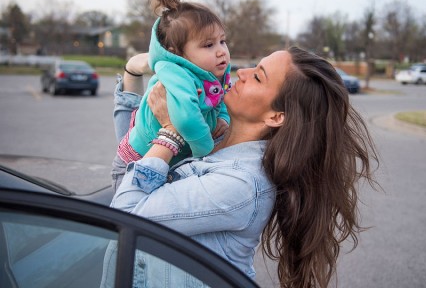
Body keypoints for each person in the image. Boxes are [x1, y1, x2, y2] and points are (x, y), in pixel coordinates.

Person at [103, 46, 379, 288]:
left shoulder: (243, 184)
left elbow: (124, 218)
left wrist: (171, 132)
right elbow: (135, 156)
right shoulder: (212, 134)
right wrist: (133, 71)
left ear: (276, 116)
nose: (243, 72)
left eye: (258, 76)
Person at [111, 0, 231, 190]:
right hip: (137, 160)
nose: (221, 50)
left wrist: (222, 117)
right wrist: (206, 150)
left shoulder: (214, 70)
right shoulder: (176, 73)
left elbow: (221, 98)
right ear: (178, 53)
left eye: (223, 41)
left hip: (170, 159)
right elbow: (185, 119)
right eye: (208, 45)